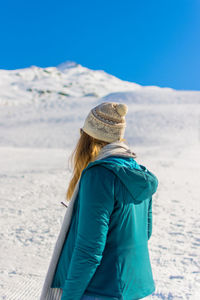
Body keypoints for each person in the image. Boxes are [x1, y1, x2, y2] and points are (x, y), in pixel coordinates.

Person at [41, 102, 158, 300]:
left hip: (99, 291)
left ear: (87, 137)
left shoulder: (99, 175)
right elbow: (144, 232)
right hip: (130, 288)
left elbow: (89, 249)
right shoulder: (137, 172)